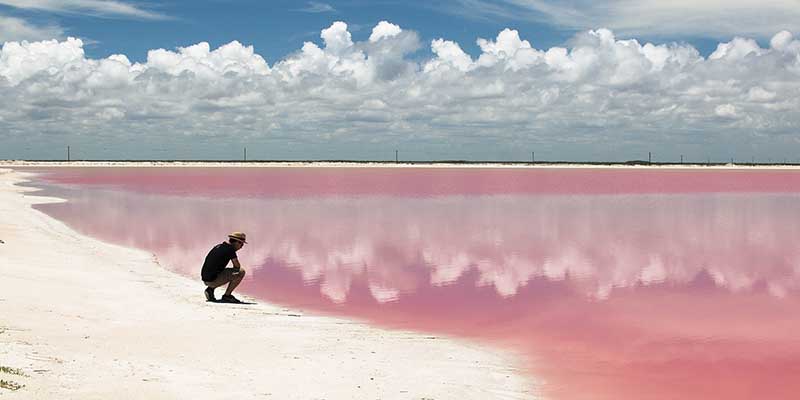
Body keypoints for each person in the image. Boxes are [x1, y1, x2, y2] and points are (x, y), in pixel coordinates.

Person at [202, 232, 248, 303]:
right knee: (241, 272)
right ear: (236, 242)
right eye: (241, 244)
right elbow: (237, 266)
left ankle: (210, 290)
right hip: (211, 280)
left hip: (205, 278)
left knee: (225, 270)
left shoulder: (219, 246)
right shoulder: (230, 249)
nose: (242, 247)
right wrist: (233, 274)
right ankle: (227, 296)